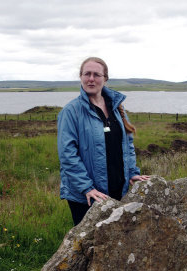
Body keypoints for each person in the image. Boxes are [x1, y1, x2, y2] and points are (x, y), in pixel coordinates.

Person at [57, 57, 150, 225]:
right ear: (81, 77)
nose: (91, 79)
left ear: (105, 78)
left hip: (117, 190)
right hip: (87, 196)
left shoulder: (116, 107)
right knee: (89, 245)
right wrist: (87, 187)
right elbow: (67, 154)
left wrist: (132, 172)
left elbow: (127, 145)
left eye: (96, 74)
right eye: (87, 74)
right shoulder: (71, 111)